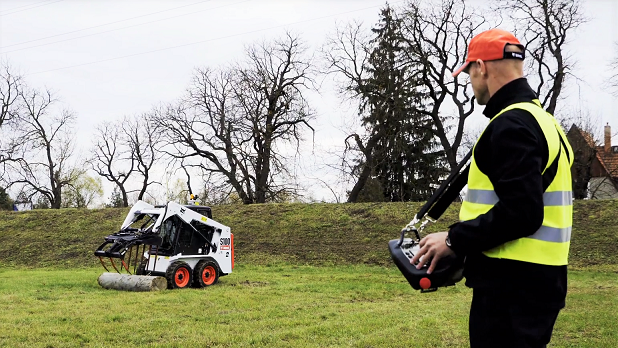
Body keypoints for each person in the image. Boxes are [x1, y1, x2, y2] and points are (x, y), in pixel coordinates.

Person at [411, 28, 574, 348]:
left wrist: (453, 239)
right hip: (540, 285)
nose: (471, 81)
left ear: (481, 67)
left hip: (509, 291)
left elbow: (522, 213)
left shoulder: (511, 125)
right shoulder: (545, 122)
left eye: (470, 71)